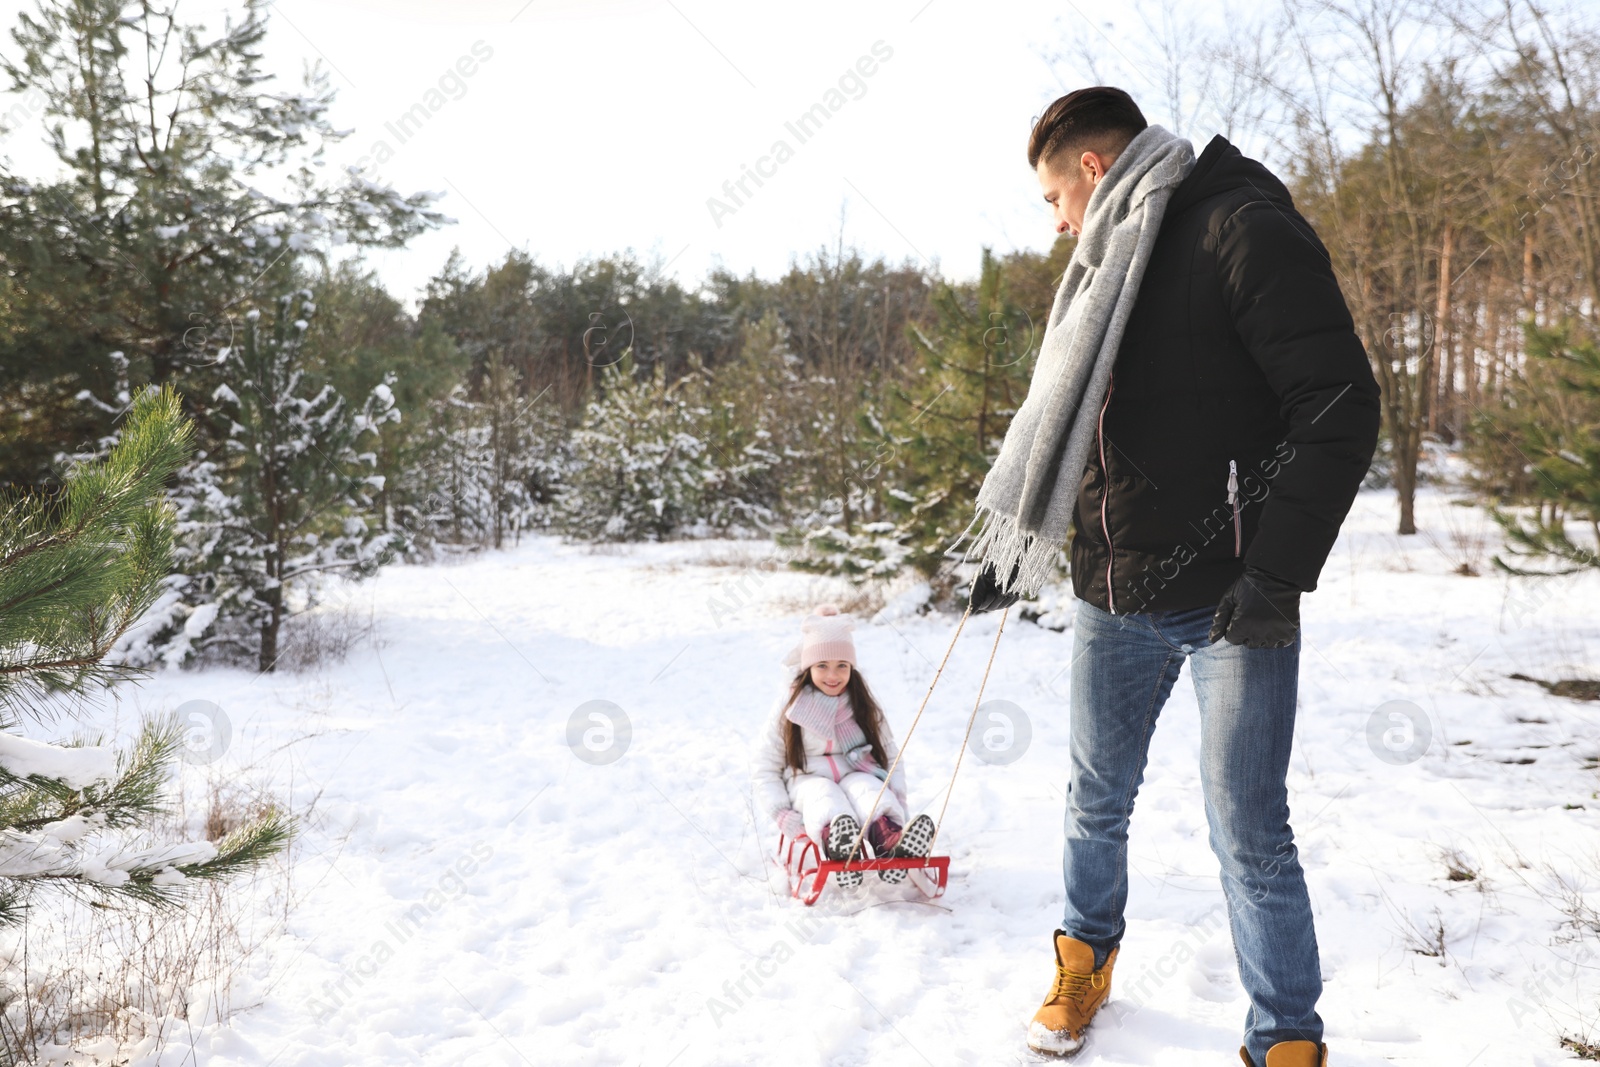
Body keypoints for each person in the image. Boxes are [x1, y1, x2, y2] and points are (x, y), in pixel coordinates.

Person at [963, 87, 1380, 1067]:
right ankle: (1083, 964)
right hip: (1111, 587)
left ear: (1094, 172)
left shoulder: (1238, 229)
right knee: (1092, 797)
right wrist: (1016, 539)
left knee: (1247, 827)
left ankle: (1284, 1034)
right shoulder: (1108, 258)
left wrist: (1274, 573)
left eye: (1053, 199)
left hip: (1233, 599)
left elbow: (1340, 406)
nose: (1055, 223)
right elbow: (1087, 431)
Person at [750, 604, 936, 888]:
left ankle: (891, 842)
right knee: (823, 796)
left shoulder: (862, 703)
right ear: (808, 667)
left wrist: (897, 795)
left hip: (857, 769)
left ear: (852, 667)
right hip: (808, 778)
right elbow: (764, 765)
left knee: (869, 789)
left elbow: (889, 754)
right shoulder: (791, 707)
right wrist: (781, 812)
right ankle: (839, 845)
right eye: (822, 666)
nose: (832, 675)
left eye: (842, 666)